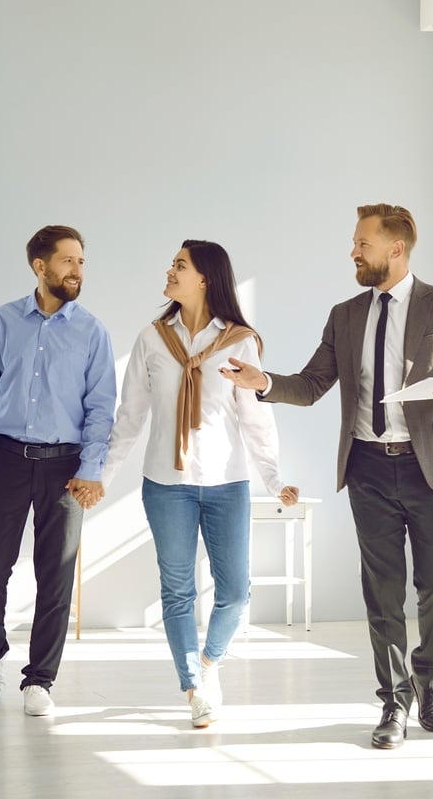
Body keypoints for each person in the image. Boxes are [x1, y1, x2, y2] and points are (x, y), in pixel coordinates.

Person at [222, 204, 433, 749]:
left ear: (396, 249)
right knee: (382, 591)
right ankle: (393, 701)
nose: (353, 252)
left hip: (429, 466)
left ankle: (429, 676)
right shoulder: (345, 315)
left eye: (362, 243)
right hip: (367, 467)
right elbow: (313, 382)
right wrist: (263, 382)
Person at [103, 239, 298, 729]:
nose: (170, 271)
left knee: (235, 591)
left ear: (205, 278)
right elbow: (129, 418)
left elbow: (255, 418)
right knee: (177, 591)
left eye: (180, 265)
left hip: (227, 482)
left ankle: (210, 663)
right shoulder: (152, 339)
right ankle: (194, 687)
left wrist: (274, 479)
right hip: (165, 484)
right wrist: (99, 477)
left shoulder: (239, 342)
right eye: (172, 263)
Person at [0, 224, 117, 717]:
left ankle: (40, 680)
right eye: (68, 261)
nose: (77, 270)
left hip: (66, 465)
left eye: (82, 262)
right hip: (4, 457)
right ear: (40, 267)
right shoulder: (5, 320)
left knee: (56, 574)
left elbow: (101, 408)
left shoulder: (92, 330)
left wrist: (92, 468)